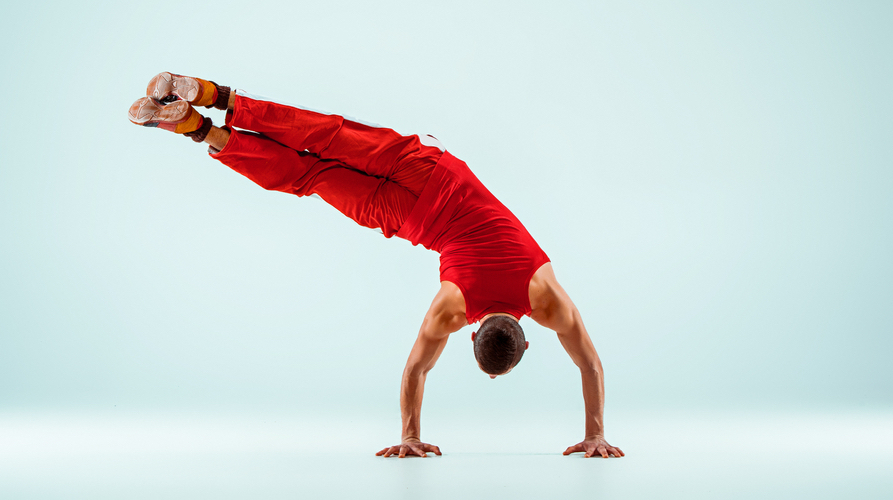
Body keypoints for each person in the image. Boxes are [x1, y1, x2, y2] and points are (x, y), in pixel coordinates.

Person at [128, 72, 624, 459]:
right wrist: (410, 437)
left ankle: (211, 93)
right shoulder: (453, 308)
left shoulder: (545, 296)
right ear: (471, 334)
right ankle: (196, 128)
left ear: (524, 334)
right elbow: (416, 369)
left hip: (433, 167)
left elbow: (591, 364)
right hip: (407, 218)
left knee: (327, 134)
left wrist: (596, 431)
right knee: (310, 175)